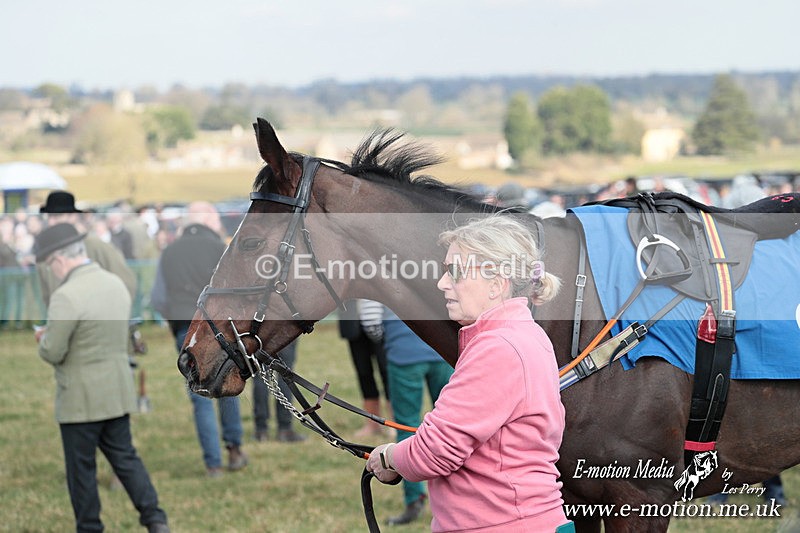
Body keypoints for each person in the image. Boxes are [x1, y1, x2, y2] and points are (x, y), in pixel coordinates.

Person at [367, 215, 571, 532]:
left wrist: (389, 457)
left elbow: (436, 451)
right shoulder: (522, 334)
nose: (442, 283)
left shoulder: (499, 347)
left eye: (456, 272)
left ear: (496, 284)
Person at [33, 223, 169, 533]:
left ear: (58, 260)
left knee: (81, 470)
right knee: (126, 458)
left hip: (80, 398)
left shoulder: (65, 296)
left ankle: (90, 527)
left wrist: (42, 339)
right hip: (116, 390)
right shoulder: (114, 284)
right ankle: (154, 518)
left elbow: (53, 351)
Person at [150, 201, 247, 477]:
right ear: (208, 220)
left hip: (187, 329)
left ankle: (213, 463)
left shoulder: (169, 252)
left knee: (200, 393)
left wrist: (174, 318)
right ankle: (234, 449)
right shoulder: (221, 250)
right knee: (228, 384)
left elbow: (158, 297)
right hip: (223, 328)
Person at [380, 306, 454, 526]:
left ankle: (414, 499)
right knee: (451, 427)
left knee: (405, 425)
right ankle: (454, 497)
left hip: (403, 352)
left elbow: (371, 324)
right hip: (441, 351)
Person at [38, 191, 137, 307]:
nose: (51, 222)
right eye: (49, 216)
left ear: (73, 216)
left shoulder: (96, 246)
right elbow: (48, 297)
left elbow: (127, 284)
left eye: (57, 216)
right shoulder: (46, 254)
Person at [338, 298, 390, 437]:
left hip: (381, 322)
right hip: (354, 321)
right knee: (364, 373)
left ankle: (395, 423)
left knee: (387, 372)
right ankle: (372, 424)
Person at [251, 339, 306, 442]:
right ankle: (284, 429)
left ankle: (261, 430)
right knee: (285, 377)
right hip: (285, 330)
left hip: (262, 334)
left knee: (261, 378)